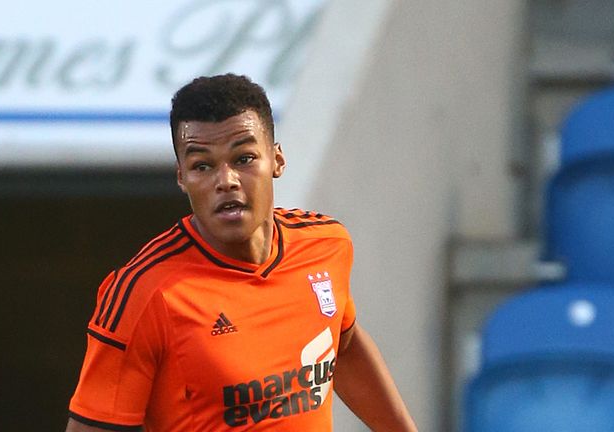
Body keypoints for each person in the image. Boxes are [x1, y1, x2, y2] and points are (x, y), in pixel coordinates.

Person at [65, 74, 417, 431]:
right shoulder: (144, 294)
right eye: (202, 166)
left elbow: (345, 347)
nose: (226, 180)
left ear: (277, 160)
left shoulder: (326, 245)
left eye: (244, 158)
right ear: (181, 177)